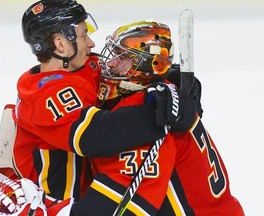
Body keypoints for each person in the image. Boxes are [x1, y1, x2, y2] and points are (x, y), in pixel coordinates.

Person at [11, 0, 197, 208]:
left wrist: (174, 81)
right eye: (83, 36)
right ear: (60, 44)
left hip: (88, 199)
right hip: (50, 206)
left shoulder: (86, 66)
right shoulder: (42, 95)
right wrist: (158, 111)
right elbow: (97, 135)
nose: (91, 43)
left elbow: (128, 72)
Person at [69, 21, 245, 216]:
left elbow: (128, 207)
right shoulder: (164, 98)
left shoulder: (151, 114)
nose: (110, 63)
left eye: (122, 58)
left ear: (144, 66)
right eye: (114, 54)